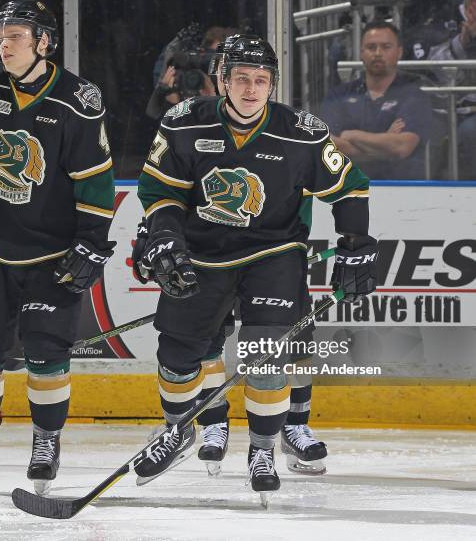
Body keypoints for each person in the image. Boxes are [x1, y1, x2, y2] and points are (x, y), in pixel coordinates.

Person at [133, 35, 376, 501]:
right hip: (202, 253)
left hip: (273, 252)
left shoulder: (301, 132)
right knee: (177, 354)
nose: (250, 89)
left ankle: (262, 448)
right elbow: (159, 190)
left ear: (273, 85)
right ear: (221, 80)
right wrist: (164, 235)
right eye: (241, 78)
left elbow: (350, 186)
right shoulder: (183, 123)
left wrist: (357, 244)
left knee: (266, 351)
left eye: (261, 80)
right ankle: (177, 430)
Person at [0, 0, 115, 495]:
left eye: (16, 36)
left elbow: (94, 180)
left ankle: (45, 441)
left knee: (44, 352)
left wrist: (92, 243)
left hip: (54, 254)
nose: (4, 44)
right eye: (2, 35)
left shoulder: (77, 100)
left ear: (44, 43)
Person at [320, 21, 433, 180]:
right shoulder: (339, 95)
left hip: (404, 191)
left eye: (386, 47)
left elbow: (402, 146)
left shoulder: (414, 96)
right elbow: (328, 146)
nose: (378, 53)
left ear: (399, 52)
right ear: (361, 52)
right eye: (371, 47)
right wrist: (385, 144)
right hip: (347, 188)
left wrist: (351, 135)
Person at [429, 0, 476, 179]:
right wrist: (462, 43)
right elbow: (434, 67)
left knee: (470, 131)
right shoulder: (442, 18)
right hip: (456, 110)